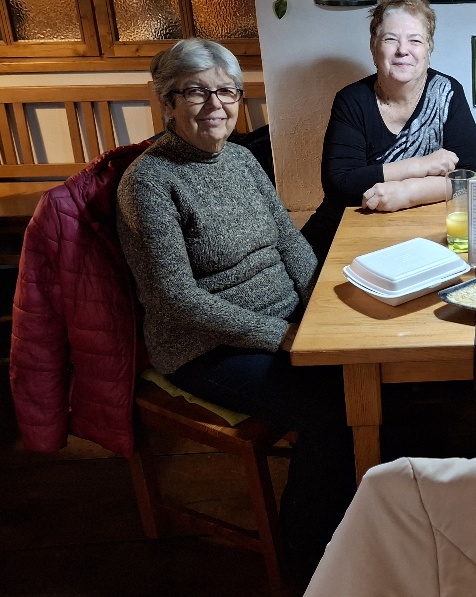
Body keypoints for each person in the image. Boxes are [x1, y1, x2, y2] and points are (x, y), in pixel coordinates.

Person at [116, 39, 354, 580]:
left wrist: (320, 310)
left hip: (285, 323)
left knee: (374, 380)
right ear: (167, 102)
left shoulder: (242, 158)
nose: (216, 105)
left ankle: (361, 514)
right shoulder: (150, 182)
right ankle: (309, 562)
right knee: (331, 414)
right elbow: (176, 298)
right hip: (205, 347)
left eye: (226, 91)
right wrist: (281, 336)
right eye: (196, 92)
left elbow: (289, 242)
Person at [301, 0, 476, 262]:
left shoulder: (447, 93)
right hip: (346, 232)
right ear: (374, 48)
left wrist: (407, 193)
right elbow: (340, 185)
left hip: (422, 233)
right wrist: (421, 166)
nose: (402, 50)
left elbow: (469, 180)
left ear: (429, 49)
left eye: (415, 40)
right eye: (390, 39)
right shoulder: (351, 100)